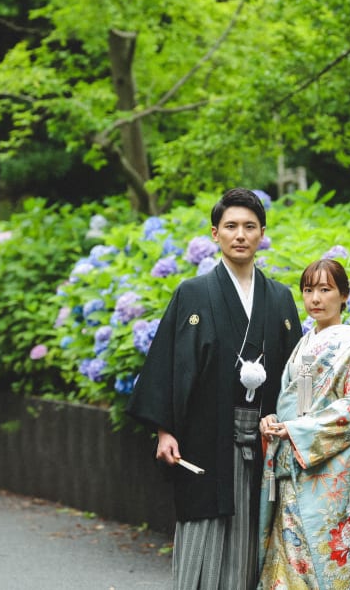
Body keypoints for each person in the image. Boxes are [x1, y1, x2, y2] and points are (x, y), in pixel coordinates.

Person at [126, 188, 302, 590]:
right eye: (231, 226)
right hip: (204, 437)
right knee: (201, 534)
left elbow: (296, 375)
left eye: (249, 227)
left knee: (250, 542)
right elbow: (170, 365)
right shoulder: (193, 292)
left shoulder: (280, 298)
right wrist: (165, 430)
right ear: (215, 234)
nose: (240, 235)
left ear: (262, 234)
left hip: (264, 439)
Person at [257, 259, 350, 589]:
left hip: (330, 470)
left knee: (326, 561)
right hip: (295, 464)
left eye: (325, 290)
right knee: (292, 556)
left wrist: (298, 430)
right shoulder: (305, 345)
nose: (315, 299)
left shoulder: (348, 347)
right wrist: (276, 421)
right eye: (308, 290)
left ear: (344, 295)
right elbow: (299, 404)